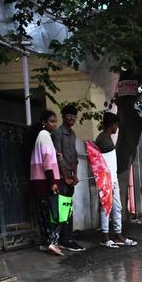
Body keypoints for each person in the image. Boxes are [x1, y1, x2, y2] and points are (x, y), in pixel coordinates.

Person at [94, 112, 136, 248]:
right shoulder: (102, 139)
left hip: (112, 178)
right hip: (107, 179)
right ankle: (105, 236)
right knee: (106, 207)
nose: (117, 127)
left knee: (116, 207)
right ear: (112, 125)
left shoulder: (105, 138)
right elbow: (101, 163)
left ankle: (117, 234)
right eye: (116, 124)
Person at [30, 110, 63, 256]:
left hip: (38, 182)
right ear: (44, 122)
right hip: (46, 181)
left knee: (44, 215)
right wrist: (52, 182)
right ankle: (53, 243)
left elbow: (46, 157)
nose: (55, 124)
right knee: (55, 214)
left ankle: (45, 243)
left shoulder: (41, 137)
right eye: (51, 121)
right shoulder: (45, 136)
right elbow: (47, 161)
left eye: (55, 121)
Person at [54, 104, 84, 252]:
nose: (72, 118)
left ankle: (69, 238)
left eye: (74, 116)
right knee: (63, 210)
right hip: (61, 178)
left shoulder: (72, 134)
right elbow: (58, 157)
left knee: (68, 209)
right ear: (63, 116)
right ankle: (64, 240)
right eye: (69, 115)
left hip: (70, 179)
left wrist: (75, 176)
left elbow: (74, 158)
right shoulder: (58, 133)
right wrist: (65, 177)